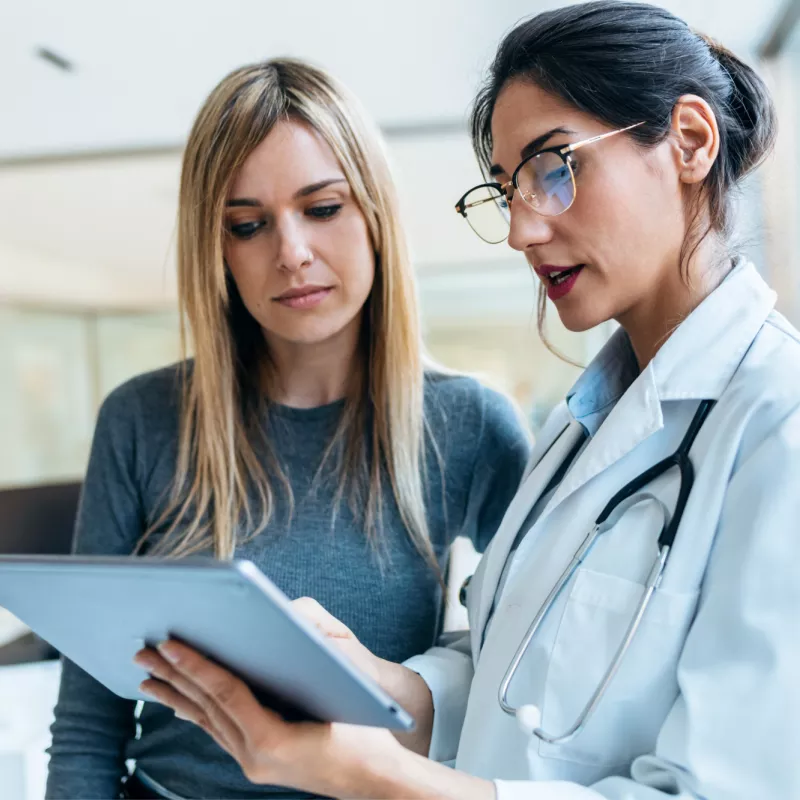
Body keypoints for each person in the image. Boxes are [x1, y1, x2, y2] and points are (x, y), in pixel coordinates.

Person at [133, 3, 800, 798]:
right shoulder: (583, 426)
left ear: (689, 141)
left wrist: (370, 775)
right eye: (508, 188)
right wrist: (378, 682)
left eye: (556, 168)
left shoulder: (777, 423)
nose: (520, 229)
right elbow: (502, 670)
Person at [45, 58, 531, 800]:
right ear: (219, 249)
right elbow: (88, 724)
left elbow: (526, 672)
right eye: (248, 224)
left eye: (324, 208)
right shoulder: (143, 420)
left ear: (374, 214)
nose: (291, 252)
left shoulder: (470, 424)